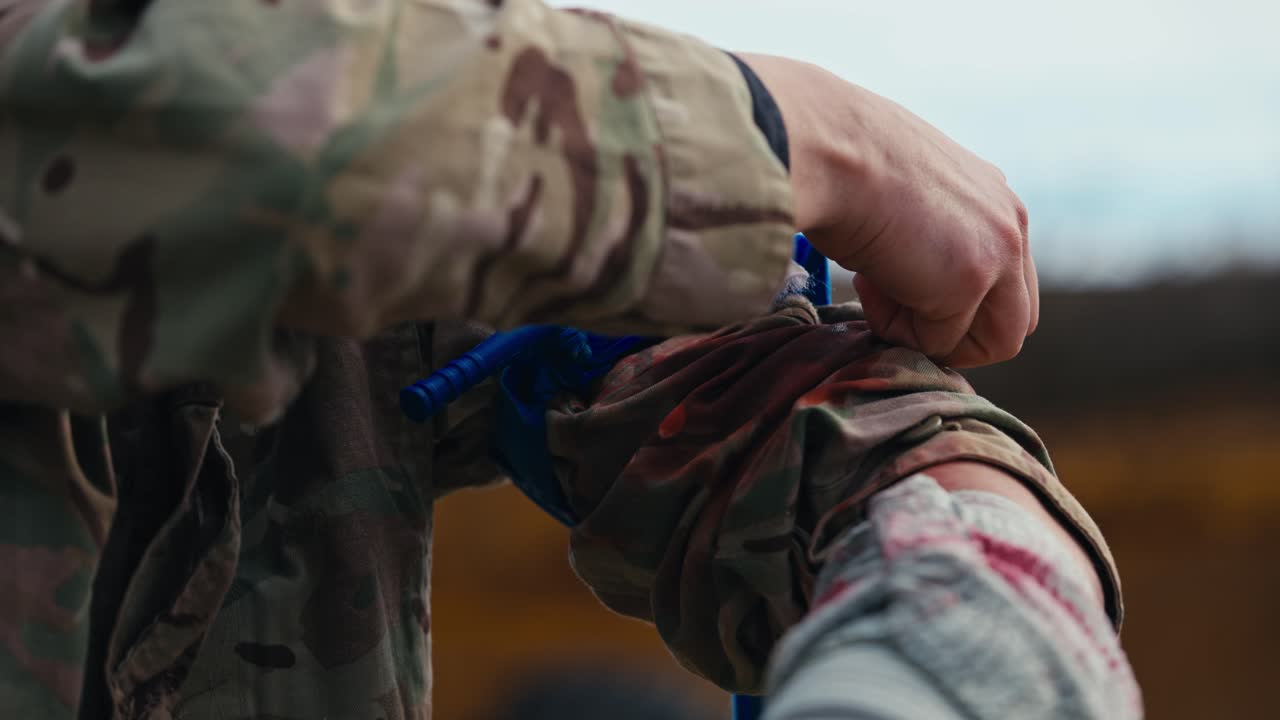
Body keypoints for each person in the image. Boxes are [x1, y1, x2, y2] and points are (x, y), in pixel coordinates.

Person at [0, 1, 1125, 718]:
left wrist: (967, 570)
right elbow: (118, 137)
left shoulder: (369, 255)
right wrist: (796, 137)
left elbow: (737, 402)